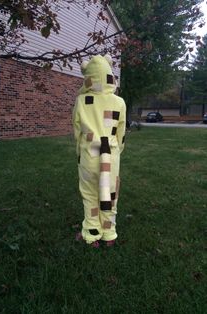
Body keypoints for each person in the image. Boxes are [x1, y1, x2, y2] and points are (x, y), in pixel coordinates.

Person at [72, 54, 126, 247]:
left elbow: (77, 131)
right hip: (110, 155)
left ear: (89, 78)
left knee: (89, 193)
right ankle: (109, 232)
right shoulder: (119, 102)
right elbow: (120, 133)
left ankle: (92, 232)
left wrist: (79, 151)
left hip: (89, 155)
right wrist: (118, 149)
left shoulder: (81, 101)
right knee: (110, 193)